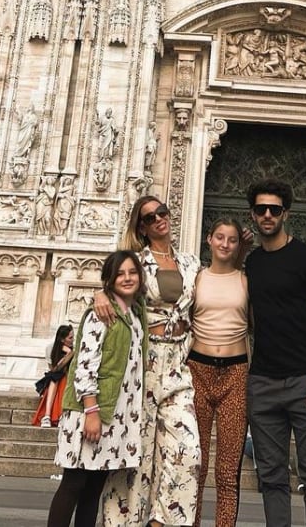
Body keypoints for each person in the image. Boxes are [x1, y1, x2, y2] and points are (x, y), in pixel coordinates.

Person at [94, 196, 201, 527]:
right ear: (141, 227)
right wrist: (100, 293)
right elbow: (113, 287)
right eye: (150, 217)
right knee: (135, 450)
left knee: (187, 450)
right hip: (143, 362)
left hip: (178, 363)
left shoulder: (191, 263)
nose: (159, 220)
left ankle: (163, 521)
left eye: (163, 212)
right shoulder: (136, 263)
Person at [244, 177, 306, 527]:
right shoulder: (252, 263)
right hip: (264, 383)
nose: (267, 215)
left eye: (274, 209)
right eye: (261, 209)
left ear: (286, 213)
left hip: (305, 381)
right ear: (252, 215)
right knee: (271, 478)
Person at [48, 250, 147, 527]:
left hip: (116, 415)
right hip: (90, 411)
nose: (127, 278)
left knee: (93, 489)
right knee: (74, 484)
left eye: (132, 272)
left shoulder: (136, 315)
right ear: (109, 280)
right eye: (120, 273)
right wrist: (91, 411)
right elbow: (84, 364)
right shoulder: (101, 314)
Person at [189, 217, 250, 527]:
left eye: (232, 239)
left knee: (227, 471)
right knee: (194, 465)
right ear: (209, 239)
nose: (225, 244)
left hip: (235, 374)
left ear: (239, 245)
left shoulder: (246, 280)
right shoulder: (195, 278)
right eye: (220, 237)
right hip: (196, 371)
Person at [34, 324, 75, 428]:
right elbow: (54, 369)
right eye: (70, 337)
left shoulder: (75, 348)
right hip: (55, 376)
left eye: (73, 336)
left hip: (70, 378)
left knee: (60, 379)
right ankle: (47, 415)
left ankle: (58, 415)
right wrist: (68, 354)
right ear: (62, 340)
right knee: (54, 378)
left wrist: (71, 352)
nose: (73, 340)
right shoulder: (51, 348)